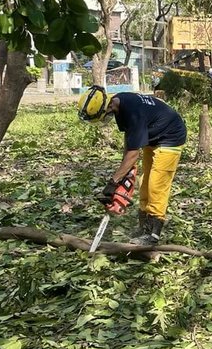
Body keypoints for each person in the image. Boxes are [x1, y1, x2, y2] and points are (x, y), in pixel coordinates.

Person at [78, 86, 187, 245]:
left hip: (171, 136)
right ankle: (144, 228)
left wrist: (113, 182)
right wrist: (123, 174)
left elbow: (133, 154)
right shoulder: (118, 104)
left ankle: (153, 234)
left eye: (103, 117)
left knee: (156, 185)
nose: (104, 119)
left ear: (107, 107)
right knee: (144, 183)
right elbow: (130, 144)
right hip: (153, 136)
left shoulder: (132, 111)